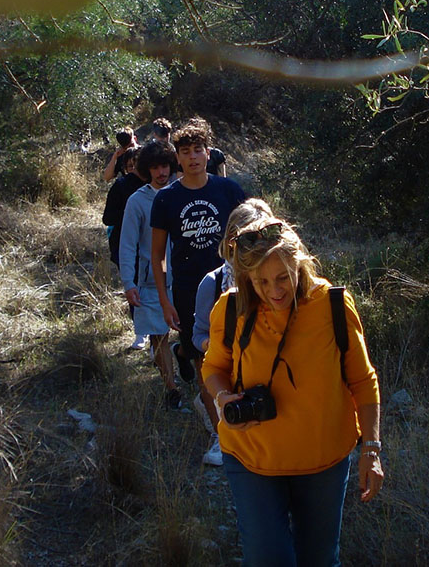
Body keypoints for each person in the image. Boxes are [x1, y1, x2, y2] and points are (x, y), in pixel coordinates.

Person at [202, 216, 383, 566]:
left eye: (284, 277)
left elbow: (363, 380)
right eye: (261, 281)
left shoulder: (332, 306)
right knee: (270, 559)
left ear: (300, 264)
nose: (274, 290)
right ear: (247, 277)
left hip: (323, 460)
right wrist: (223, 399)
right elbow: (213, 368)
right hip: (251, 457)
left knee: (318, 559)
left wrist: (371, 450)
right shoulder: (231, 307)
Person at [150, 117, 246, 403]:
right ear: (177, 157)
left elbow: (249, 238)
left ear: (208, 152)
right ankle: (218, 433)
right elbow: (157, 255)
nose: (192, 157)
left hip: (230, 286)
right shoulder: (167, 198)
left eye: (197, 149)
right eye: (185, 152)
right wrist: (165, 302)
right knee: (204, 360)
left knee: (238, 352)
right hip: (188, 290)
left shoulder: (229, 191)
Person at [191, 197, 277, 466]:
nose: (255, 247)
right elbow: (198, 335)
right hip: (231, 370)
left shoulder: (284, 281)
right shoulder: (213, 284)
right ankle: (221, 435)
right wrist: (221, 348)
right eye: (247, 238)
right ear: (231, 241)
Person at [119, 140, 181, 399]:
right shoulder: (137, 201)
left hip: (185, 276)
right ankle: (172, 389)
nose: (161, 172)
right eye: (154, 167)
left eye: (164, 165)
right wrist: (128, 282)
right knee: (159, 336)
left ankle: (185, 357)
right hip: (152, 280)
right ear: (147, 170)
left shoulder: (183, 192)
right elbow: (128, 243)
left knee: (192, 332)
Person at [102, 148, 143, 273]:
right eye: (130, 166)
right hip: (124, 245)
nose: (133, 169)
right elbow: (108, 218)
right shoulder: (121, 185)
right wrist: (130, 213)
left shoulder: (155, 184)